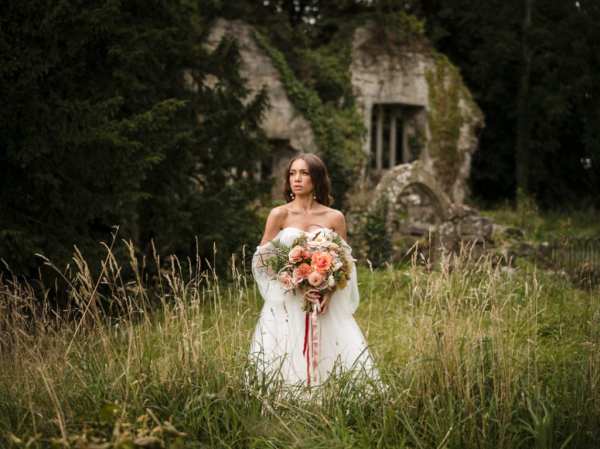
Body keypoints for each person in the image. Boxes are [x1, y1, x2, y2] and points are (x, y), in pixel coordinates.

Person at [249, 153, 378, 389]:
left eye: (304, 173)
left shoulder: (334, 217)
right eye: (292, 173)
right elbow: (263, 260)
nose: (296, 179)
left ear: (316, 178)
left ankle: (331, 399)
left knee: (334, 353)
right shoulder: (280, 215)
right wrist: (295, 282)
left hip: (323, 303)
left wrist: (328, 291)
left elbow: (344, 263)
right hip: (289, 301)